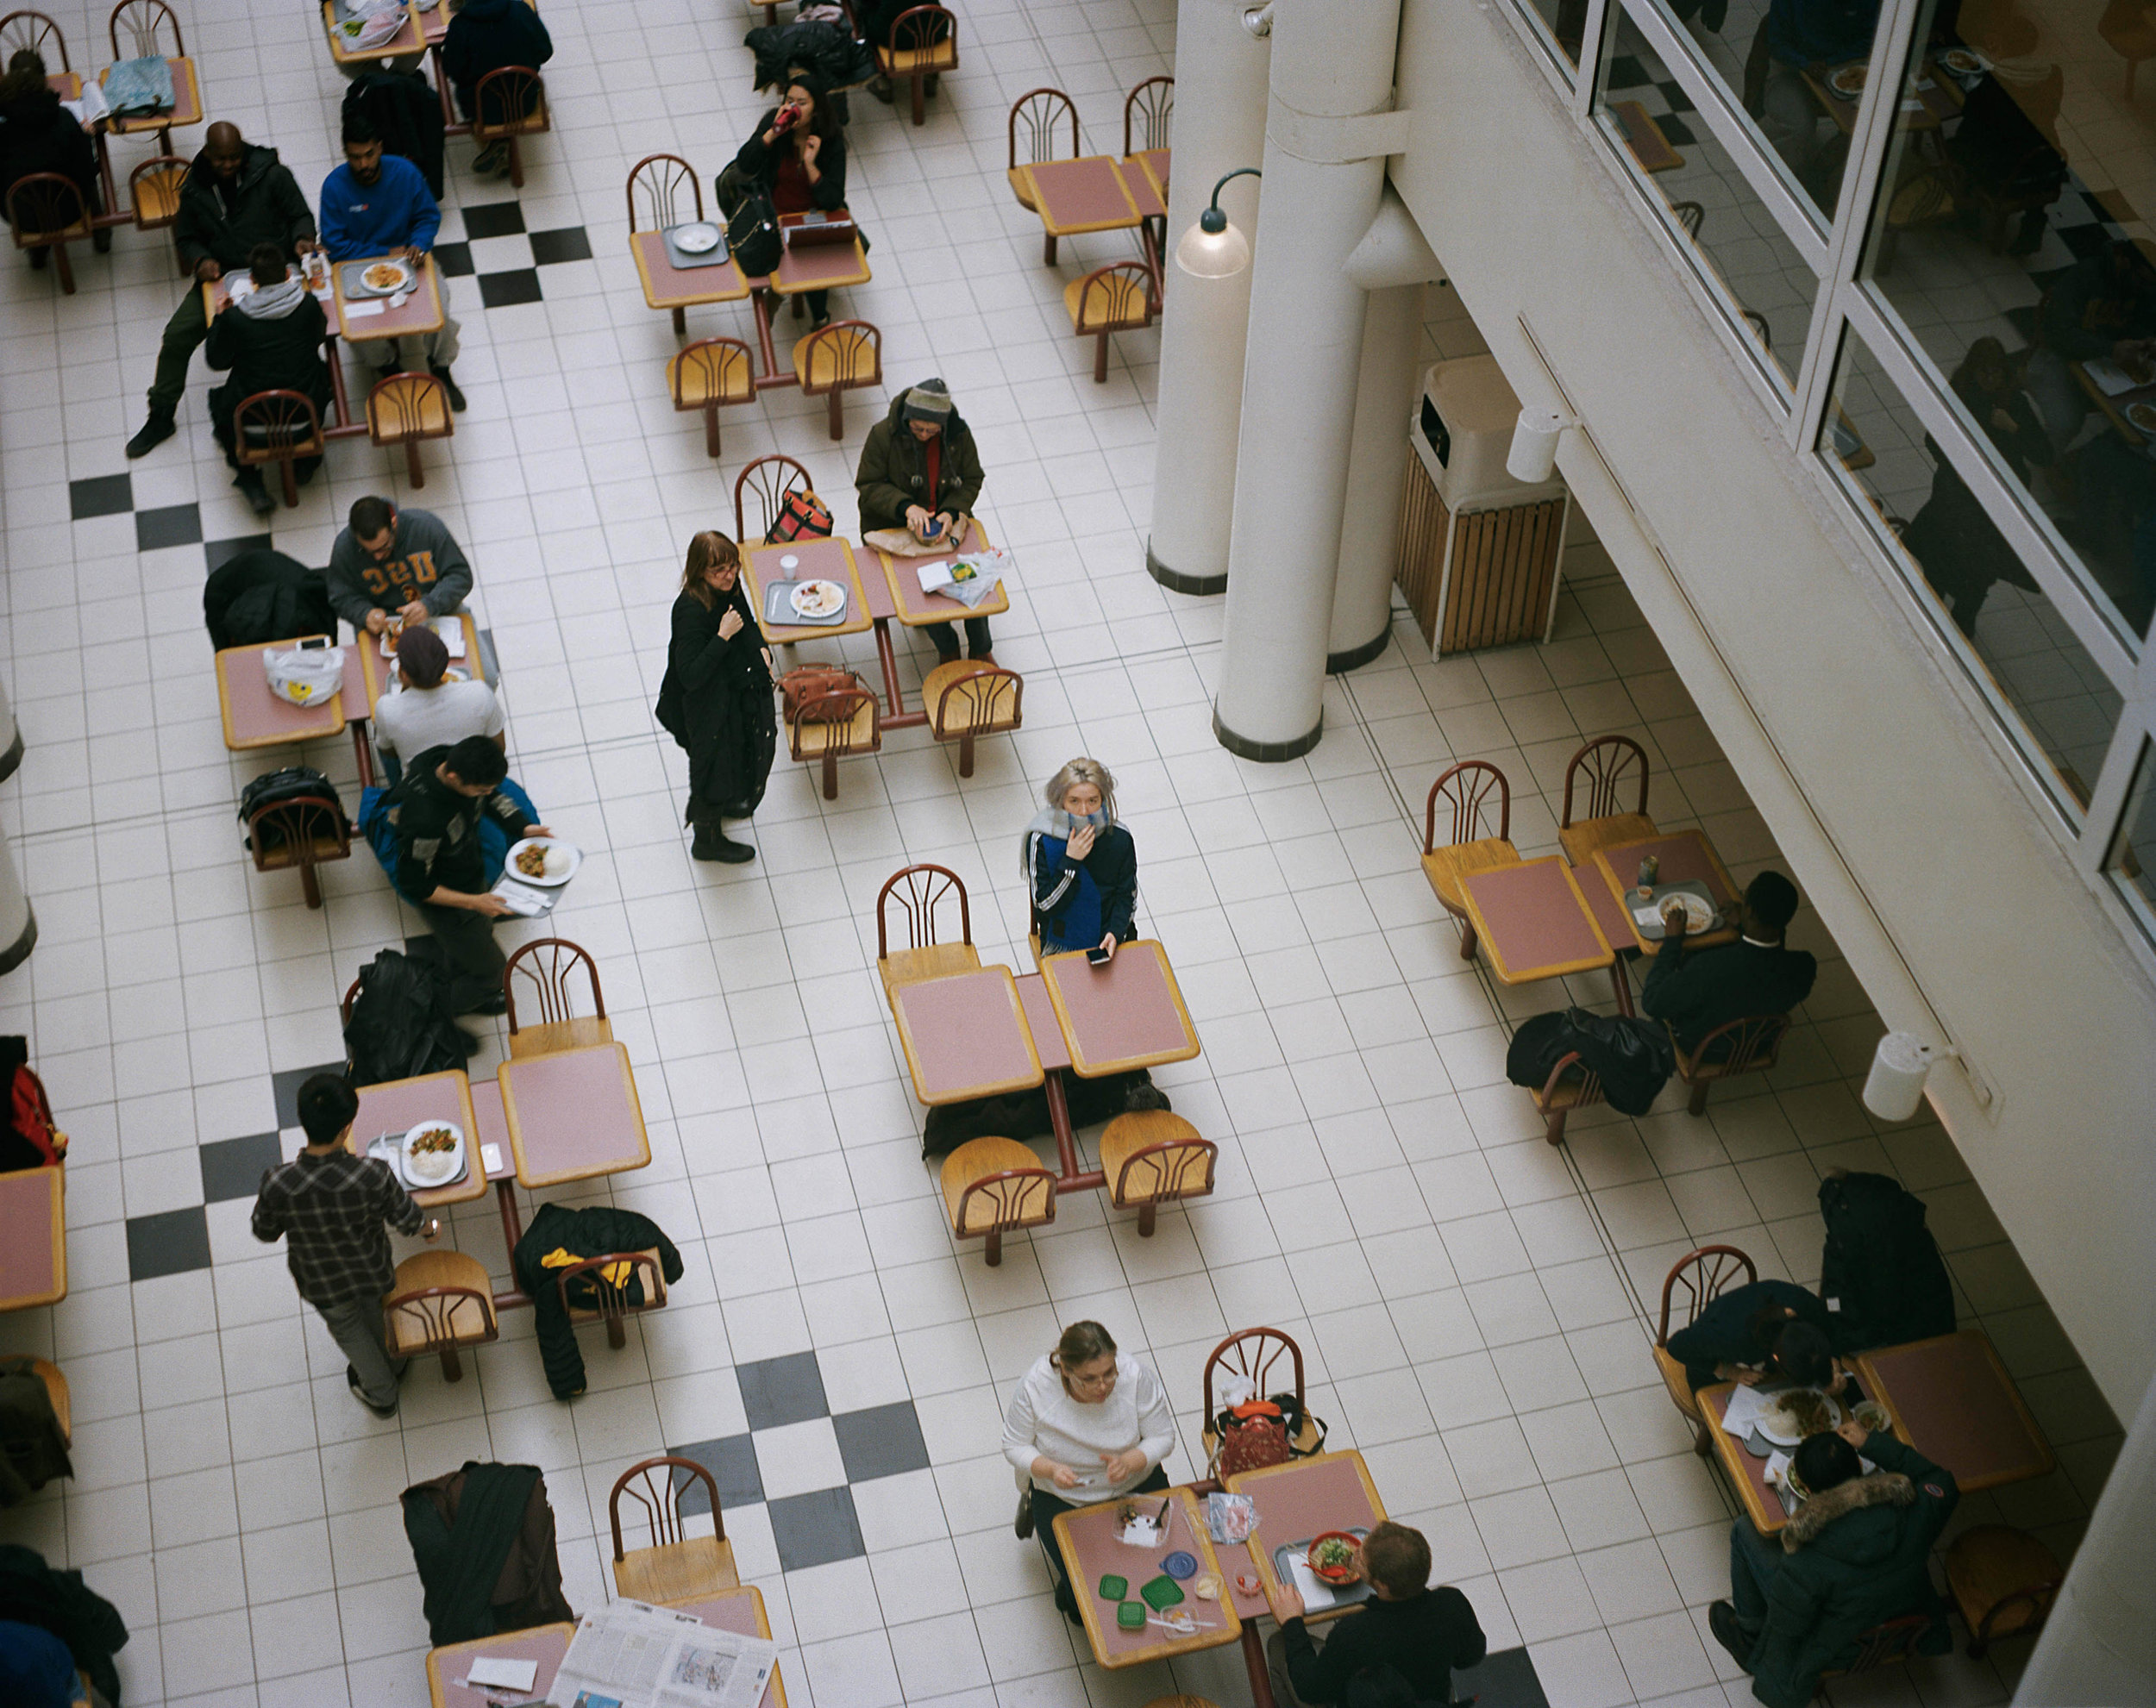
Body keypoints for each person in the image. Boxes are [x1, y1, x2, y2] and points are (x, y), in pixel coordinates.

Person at [1710, 1418, 1958, 1708]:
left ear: (1810, 1491)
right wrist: (1872, 1442)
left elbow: (1788, 1625)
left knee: (1745, 1530)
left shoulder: (1807, 1559)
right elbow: (1943, 1482)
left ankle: (1748, 1634)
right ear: (1858, 1465)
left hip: (1842, 1645)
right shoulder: (1914, 1508)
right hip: (1905, 1618)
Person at [249, 1073, 442, 1418]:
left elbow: (264, 1231)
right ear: (345, 1129)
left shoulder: (279, 1183)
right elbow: (406, 1218)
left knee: (350, 1331)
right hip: (370, 1269)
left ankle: (382, 1395)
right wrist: (429, 1228)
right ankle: (396, 1366)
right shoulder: (372, 1173)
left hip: (323, 1282)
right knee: (374, 1314)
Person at [125, 120, 317, 458]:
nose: (228, 165)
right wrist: (200, 261)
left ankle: (306, 398)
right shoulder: (194, 189)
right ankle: (161, 415)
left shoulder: (273, 175)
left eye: (234, 157)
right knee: (176, 336)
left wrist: (303, 239)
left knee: (310, 325)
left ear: (242, 152)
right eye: (220, 159)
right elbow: (186, 237)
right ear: (207, 154)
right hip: (224, 278)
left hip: (278, 273)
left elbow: (300, 215)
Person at [1000, 1320, 1176, 1626]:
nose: (1103, 1386)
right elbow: (1013, 1445)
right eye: (1089, 1379)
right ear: (1065, 1371)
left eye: (1109, 1373)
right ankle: (1069, 1595)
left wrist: (1132, 1460)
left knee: (1162, 1568)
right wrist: (1051, 1469)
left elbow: (1163, 1437)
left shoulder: (1135, 1376)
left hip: (1135, 1481)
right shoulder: (1035, 1387)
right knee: (1086, 1599)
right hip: (1063, 1496)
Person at [379, 735, 553, 1013]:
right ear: (453, 777)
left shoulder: (448, 757)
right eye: (481, 790)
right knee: (493, 973)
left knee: (468, 947)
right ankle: (439, 1015)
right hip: (450, 904)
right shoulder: (426, 819)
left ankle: (464, 986)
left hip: (469, 876)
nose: (487, 793)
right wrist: (474, 902)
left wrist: (522, 827)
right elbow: (416, 884)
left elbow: (493, 796)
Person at [1902, 339, 2053, 637]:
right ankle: (1931, 601)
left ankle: (1964, 616)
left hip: (1999, 490)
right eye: (1983, 373)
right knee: (1939, 547)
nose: (1989, 380)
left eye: (1995, 373)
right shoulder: (1958, 396)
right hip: (1957, 486)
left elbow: (2043, 454)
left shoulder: (2015, 404)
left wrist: (2015, 429)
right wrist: (1955, 465)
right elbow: (1934, 439)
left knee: (1980, 564)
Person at [319, 115, 466, 408]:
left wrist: (419, 243)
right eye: (355, 157)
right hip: (357, 266)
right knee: (358, 329)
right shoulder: (335, 187)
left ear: (380, 148)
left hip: (409, 259)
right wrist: (383, 254)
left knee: (442, 314)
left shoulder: (406, 173)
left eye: (369, 154)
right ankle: (386, 366)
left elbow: (426, 217)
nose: (363, 164)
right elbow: (334, 244)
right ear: (346, 154)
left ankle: (441, 368)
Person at [1264, 1521, 1487, 1708]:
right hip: (1432, 1699)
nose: (1355, 1555)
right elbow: (1471, 1657)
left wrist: (1292, 1621)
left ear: (1381, 1584)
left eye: (1360, 1557)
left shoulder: (1354, 1633)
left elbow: (1310, 1689)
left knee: (1277, 1644)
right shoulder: (1452, 1602)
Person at [655, 531, 776, 865]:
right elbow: (690, 675)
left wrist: (759, 648)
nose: (728, 576)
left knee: (737, 752)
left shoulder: (729, 588)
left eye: (732, 567)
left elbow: (746, 621)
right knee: (711, 770)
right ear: (699, 572)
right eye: (718, 570)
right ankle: (706, 841)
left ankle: (729, 802)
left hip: (729, 692)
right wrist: (723, 636)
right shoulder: (689, 611)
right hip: (703, 707)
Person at [856, 378, 990, 662]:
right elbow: (868, 485)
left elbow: (972, 478)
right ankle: (947, 645)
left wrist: (951, 512)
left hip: (944, 521)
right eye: (918, 429)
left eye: (932, 430)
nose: (925, 435)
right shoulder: (883, 435)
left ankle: (981, 647)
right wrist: (905, 507)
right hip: (893, 524)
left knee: (975, 578)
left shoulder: (958, 435)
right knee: (918, 590)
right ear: (907, 419)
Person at [204, 241, 334, 515]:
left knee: (219, 401)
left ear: (252, 280)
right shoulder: (308, 305)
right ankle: (306, 463)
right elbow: (318, 338)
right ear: (288, 276)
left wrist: (220, 318)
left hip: (251, 424)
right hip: (305, 418)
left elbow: (216, 361)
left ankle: (250, 478)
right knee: (322, 373)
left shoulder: (236, 319)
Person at [1639, 869, 1818, 1055]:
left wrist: (1672, 943)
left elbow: (1651, 1002)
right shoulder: (1804, 967)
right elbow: (1768, 965)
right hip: (1754, 1046)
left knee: (1689, 965)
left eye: (1743, 897)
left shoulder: (1709, 967)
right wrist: (1743, 926)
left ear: (1748, 911)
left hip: (1702, 1048)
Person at [726, 74, 848, 328]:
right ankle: (777, 295)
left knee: (813, 258)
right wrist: (772, 133)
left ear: (816, 109)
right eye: (790, 101)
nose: (794, 108)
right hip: (772, 212)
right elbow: (745, 163)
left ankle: (818, 317)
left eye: (802, 103)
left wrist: (811, 166)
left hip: (811, 215)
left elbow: (834, 199)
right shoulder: (775, 123)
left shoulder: (831, 140)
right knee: (768, 253)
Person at [1756, 0, 1881, 197]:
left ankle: (1821, 170)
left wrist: (1831, 64)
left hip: (1842, 69)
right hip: (1791, 70)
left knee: (1869, 121)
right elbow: (1778, 45)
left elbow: (1868, 39)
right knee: (1800, 128)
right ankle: (1776, 182)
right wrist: (1804, 64)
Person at [0, 50, 105, 272]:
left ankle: (37, 253)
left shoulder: (3, 126)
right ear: (43, 78)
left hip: (20, 215)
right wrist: (85, 135)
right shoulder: (64, 120)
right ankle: (101, 234)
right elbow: (86, 170)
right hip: (70, 208)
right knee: (91, 174)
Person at [1023, 758, 1138, 960]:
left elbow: (1126, 895)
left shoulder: (1119, 837)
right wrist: (1070, 862)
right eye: (1074, 801)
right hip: (1063, 941)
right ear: (1061, 801)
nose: (1084, 811)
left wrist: (1115, 933)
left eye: (1092, 801)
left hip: (1111, 936)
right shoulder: (1042, 838)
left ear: (1103, 799)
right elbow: (1044, 906)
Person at [370, 620, 503, 784]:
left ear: (403, 674)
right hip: (469, 778)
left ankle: (395, 785)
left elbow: (389, 751)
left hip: (420, 788)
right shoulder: (480, 693)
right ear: (445, 664)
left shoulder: (387, 708)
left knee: (382, 737)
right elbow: (498, 746)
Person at [326, 496, 474, 638]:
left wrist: (429, 604)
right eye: (367, 551)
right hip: (383, 622)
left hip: (437, 606)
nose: (377, 557)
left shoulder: (426, 527)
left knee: (476, 662)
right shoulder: (345, 547)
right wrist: (365, 614)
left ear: (394, 523)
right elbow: (340, 596)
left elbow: (461, 576)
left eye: (384, 547)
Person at [1664, 1277, 1843, 1393]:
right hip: (1707, 1360)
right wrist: (1729, 1371)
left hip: (1757, 1353)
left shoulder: (1806, 1307)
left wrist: (1833, 1367)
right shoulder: (1730, 1338)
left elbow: (1830, 1328)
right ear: (1776, 1358)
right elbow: (1676, 1345)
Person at [440, 0, 555, 178]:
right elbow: (545, 51)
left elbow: (453, 71)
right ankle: (498, 144)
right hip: (525, 99)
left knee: (467, 90)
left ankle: (493, 144)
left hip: (483, 108)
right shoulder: (521, 9)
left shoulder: (460, 25)